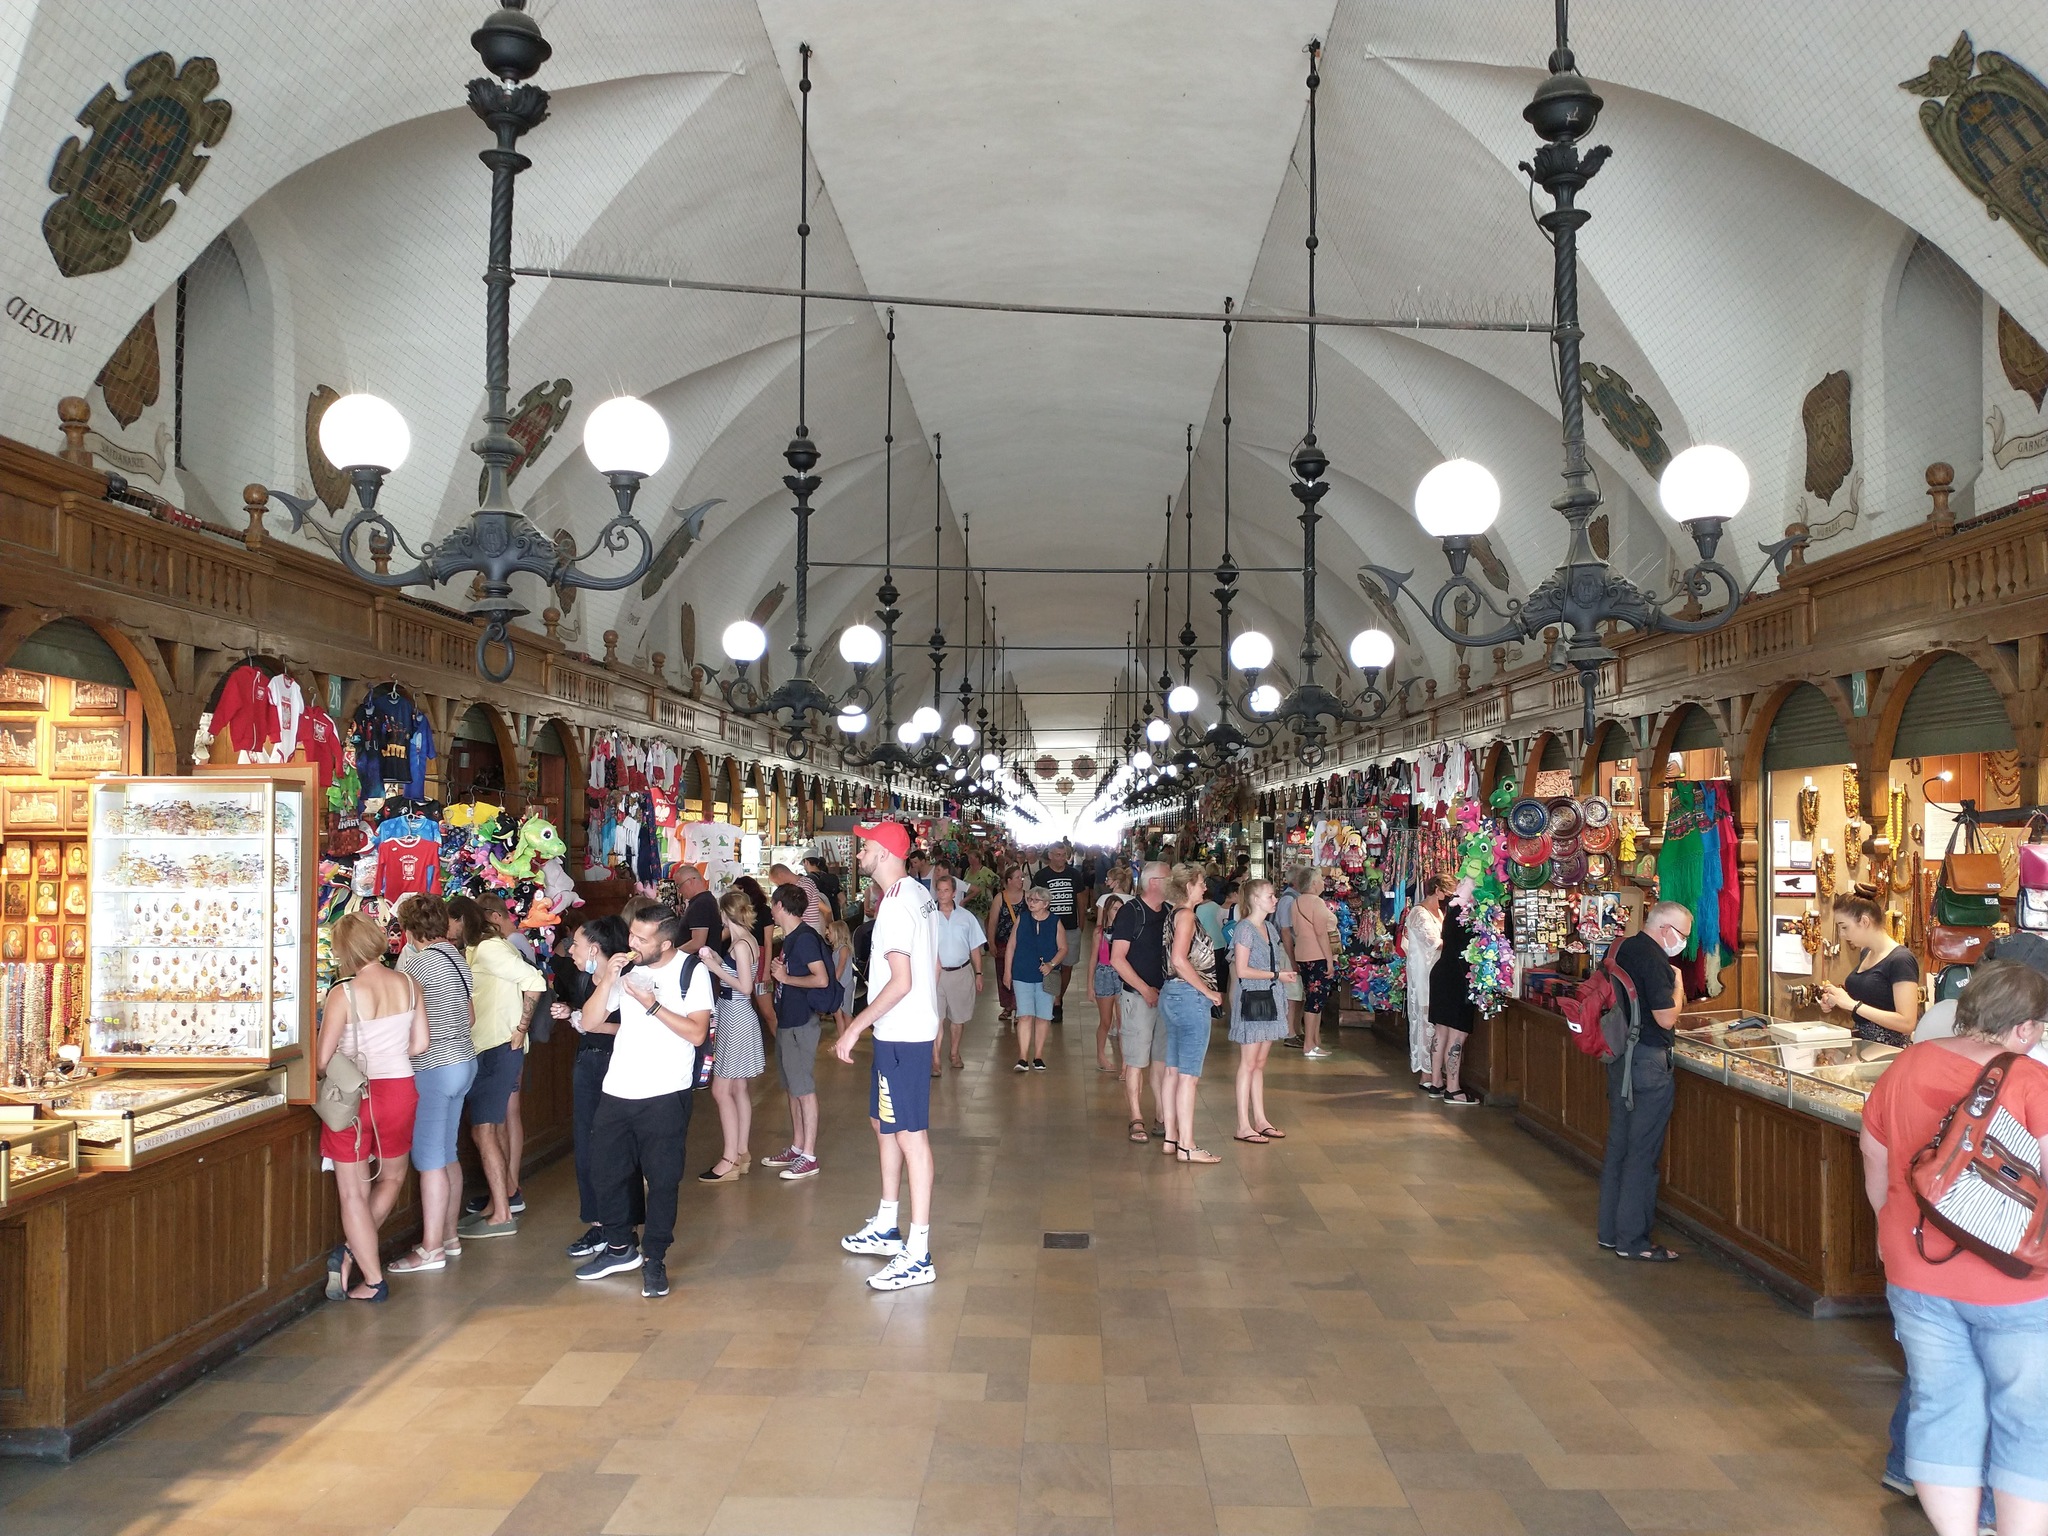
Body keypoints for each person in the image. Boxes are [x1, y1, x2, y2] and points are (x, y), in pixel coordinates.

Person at [1863, 960, 2048, 1536]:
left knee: (1942, 1404)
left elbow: (1873, 1155)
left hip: (1915, 1269)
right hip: (2016, 1281)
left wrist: (1889, 1227)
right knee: (2028, 1417)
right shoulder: (2029, 1079)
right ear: (2024, 1027)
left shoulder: (1907, 1064)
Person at [575, 907, 712, 1298]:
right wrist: (609, 979)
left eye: (641, 938)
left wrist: (652, 1005)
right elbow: (589, 1021)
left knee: (663, 1180)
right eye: (631, 934)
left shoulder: (691, 972)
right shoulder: (628, 970)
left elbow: (697, 1034)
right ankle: (620, 1247)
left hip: (665, 1093)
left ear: (665, 944)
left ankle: (655, 1258)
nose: (631, 943)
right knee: (607, 1172)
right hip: (618, 1089)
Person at [836, 820, 943, 1290]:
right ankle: (886, 1224)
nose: (859, 854)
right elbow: (932, 965)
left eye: (864, 847)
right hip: (900, 1031)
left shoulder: (899, 905)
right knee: (884, 1123)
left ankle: (918, 1253)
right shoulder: (917, 894)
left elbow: (902, 981)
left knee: (911, 1136)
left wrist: (854, 1027)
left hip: (902, 1035)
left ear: (882, 852)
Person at [319, 912, 429, 1300]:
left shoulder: (343, 993)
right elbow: (420, 1045)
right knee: (392, 1178)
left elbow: (322, 1060)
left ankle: (374, 1279)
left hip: (354, 1097)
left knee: (353, 1194)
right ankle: (352, 1254)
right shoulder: (409, 984)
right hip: (400, 1089)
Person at [1596, 900, 1691, 1261]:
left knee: (1619, 1147)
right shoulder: (1654, 960)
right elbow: (1666, 1017)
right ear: (1665, 929)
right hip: (1649, 1063)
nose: (1683, 942)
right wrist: (1677, 985)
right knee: (1642, 1153)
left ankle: (1610, 1232)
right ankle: (1633, 1240)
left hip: (1621, 1057)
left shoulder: (1623, 947)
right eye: (1682, 935)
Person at [447, 893, 544, 1240]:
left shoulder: (489, 949)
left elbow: (535, 981)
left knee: (484, 1129)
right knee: (487, 1128)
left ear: (460, 920)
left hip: (499, 1048)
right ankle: (499, 1201)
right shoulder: (478, 949)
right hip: (488, 1047)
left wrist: (521, 1028)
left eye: (448, 922)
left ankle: (502, 1212)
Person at [392, 895, 477, 1271]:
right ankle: (449, 1236)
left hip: (433, 1066)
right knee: (446, 1153)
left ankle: (431, 1249)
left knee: (428, 1160)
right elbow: (470, 1017)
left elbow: (403, 1020)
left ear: (409, 930)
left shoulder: (418, 964)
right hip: (464, 1059)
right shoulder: (456, 957)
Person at [550, 915, 641, 1259]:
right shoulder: (588, 979)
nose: (571, 949)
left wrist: (588, 1024)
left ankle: (620, 1226)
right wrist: (573, 1014)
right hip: (588, 1062)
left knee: (615, 1148)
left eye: (576, 943)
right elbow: (587, 1018)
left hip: (612, 1065)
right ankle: (602, 1222)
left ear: (595, 948)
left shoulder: (628, 981)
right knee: (587, 1146)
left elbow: (633, 1027)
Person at [471, 894, 546, 1219]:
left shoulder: (503, 944)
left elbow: (534, 982)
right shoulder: (506, 943)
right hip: (505, 1040)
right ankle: (507, 1189)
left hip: (504, 1041)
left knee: (504, 1116)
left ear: (492, 916)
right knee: (503, 1117)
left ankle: (510, 1189)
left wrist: (520, 1028)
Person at [762, 881, 833, 1180]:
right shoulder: (793, 938)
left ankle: (809, 1155)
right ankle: (797, 1146)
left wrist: (786, 978)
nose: (771, 910)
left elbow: (821, 979)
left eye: (772, 904)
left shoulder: (803, 939)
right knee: (793, 1087)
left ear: (780, 906)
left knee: (803, 1088)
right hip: (788, 1020)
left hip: (801, 1022)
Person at [696, 887, 767, 1182]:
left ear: (724, 914)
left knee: (721, 1090)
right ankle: (741, 1151)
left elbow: (745, 987)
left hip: (736, 1013)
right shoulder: (745, 940)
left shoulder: (740, 944)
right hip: (735, 1013)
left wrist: (715, 967)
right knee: (738, 1088)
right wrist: (716, 958)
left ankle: (729, 1160)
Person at [1160, 864, 1224, 1163]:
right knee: (1189, 1075)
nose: (1205, 888)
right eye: (1200, 883)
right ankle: (1187, 1144)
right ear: (1188, 887)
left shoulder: (1173, 914)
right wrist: (1207, 991)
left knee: (1173, 1070)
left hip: (1172, 995)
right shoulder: (1186, 916)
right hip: (1189, 997)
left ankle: (1171, 1138)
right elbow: (1179, 959)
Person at [1110, 862, 1173, 1144]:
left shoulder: (1169, 912)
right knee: (1136, 1059)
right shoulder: (1131, 912)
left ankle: (1161, 1114)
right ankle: (1136, 1116)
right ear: (1154, 882)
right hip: (1137, 998)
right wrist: (1145, 989)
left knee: (1161, 1059)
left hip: (1166, 998)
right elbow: (1117, 959)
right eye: (1169, 878)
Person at [1229, 879, 1293, 1144]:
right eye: (1270, 896)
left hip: (1270, 995)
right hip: (1253, 998)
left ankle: (1260, 1119)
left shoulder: (1269, 927)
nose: (1275, 900)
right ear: (1255, 899)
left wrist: (1277, 975)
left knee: (1259, 1063)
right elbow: (1242, 970)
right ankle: (1243, 1124)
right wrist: (1276, 975)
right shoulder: (1245, 929)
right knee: (1248, 1063)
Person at [1820, 893, 1922, 1051]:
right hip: (1863, 1048)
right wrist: (1838, 1000)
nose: (1842, 934)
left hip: (1889, 1053)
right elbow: (1870, 1004)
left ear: (1864, 921)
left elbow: (1907, 1023)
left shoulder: (1901, 960)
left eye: (1845, 927)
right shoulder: (1866, 953)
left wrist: (1852, 1004)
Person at [1427, 892, 1483, 1106]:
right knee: (1457, 1033)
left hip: (1442, 970)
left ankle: (1436, 1082)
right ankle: (1453, 1088)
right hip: (1460, 975)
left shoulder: (1452, 908)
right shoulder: (1472, 912)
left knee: (1441, 1029)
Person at [930, 872, 985, 1073]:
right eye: (939, 890)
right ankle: (935, 1059)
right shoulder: (929, 916)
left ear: (954, 893)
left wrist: (979, 973)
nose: (942, 894)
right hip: (936, 975)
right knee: (937, 1018)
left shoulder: (966, 917)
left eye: (946, 890)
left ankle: (954, 1053)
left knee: (958, 1018)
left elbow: (975, 948)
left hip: (961, 973)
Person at [1006, 886, 1065, 1072]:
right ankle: (1022, 1057)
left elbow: (1063, 948)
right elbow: (1011, 946)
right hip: (1022, 973)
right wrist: (1007, 971)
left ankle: (1038, 1056)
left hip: (1046, 976)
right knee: (1025, 1015)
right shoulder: (1022, 919)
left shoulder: (1055, 921)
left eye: (1036, 900)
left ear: (1046, 904)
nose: (1031, 903)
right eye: (1030, 899)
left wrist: (1051, 964)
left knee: (1043, 1016)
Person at [1405, 874, 1454, 1081]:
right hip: (1423, 973)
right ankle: (1426, 1073)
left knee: (1436, 1022)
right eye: (1447, 892)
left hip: (1438, 973)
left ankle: (1435, 1070)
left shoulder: (1439, 913)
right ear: (1437, 890)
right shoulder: (1419, 913)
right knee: (1425, 1021)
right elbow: (1433, 942)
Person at [1290, 868, 1338, 1059]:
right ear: (1313, 883)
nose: (1323, 883)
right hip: (1317, 955)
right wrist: (1329, 960)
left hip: (1302, 954)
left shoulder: (1296, 902)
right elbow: (1321, 933)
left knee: (1313, 998)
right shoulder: (1316, 902)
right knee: (1315, 1001)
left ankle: (1315, 1041)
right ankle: (1309, 1044)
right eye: (1320, 879)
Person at [1033, 843, 1082, 1021]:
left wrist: (1081, 922)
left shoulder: (1074, 874)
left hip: (1070, 927)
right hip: (1049, 928)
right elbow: (1035, 899)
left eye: (1064, 855)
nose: (1062, 858)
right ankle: (1052, 1000)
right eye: (1058, 855)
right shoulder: (1041, 876)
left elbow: (1081, 898)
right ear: (1050, 856)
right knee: (1050, 964)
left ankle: (1058, 997)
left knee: (1067, 965)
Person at [1092, 894, 1126, 1074]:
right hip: (1104, 974)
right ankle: (1101, 1056)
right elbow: (1093, 959)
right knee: (1106, 1020)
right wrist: (1090, 986)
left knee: (1122, 1022)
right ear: (1107, 911)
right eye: (1115, 909)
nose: (1118, 912)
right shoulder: (1099, 932)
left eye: (1121, 909)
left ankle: (1125, 1063)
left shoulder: (1125, 931)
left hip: (1120, 974)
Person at [990, 865, 1024, 1025]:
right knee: (1003, 972)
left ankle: (1019, 1006)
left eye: (1021, 877)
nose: (1021, 880)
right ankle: (1007, 1006)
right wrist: (991, 942)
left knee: (1020, 975)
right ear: (1009, 880)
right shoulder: (1000, 898)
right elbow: (993, 922)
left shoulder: (1028, 897)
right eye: (1017, 878)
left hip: (1022, 944)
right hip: (1003, 942)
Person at [1276, 863, 1305, 1047]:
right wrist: (1292, 958)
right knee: (1292, 993)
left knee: (1299, 993)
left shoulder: (1297, 897)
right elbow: (1285, 931)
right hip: (1288, 949)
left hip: (1295, 948)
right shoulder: (1288, 900)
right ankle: (1290, 1033)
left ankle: (1297, 1029)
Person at [674, 864, 720, 953]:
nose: (679, 891)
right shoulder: (704, 900)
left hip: (697, 959)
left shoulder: (701, 904)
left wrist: (674, 954)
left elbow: (697, 943)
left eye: (679, 886)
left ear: (690, 881)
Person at [769, 861, 827, 929]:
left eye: (776, 882)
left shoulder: (805, 884)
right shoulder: (794, 887)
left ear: (781, 875)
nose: (778, 885)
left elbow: (798, 908)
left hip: (809, 927)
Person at [826, 917, 857, 1035]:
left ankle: (848, 1037)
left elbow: (841, 965)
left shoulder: (843, 948)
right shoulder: (836, 950)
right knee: (837, 1013)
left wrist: (834, 981)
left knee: (846, 1013)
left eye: (830, 932)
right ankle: (842, 1038)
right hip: (839, 984)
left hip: (844, 984)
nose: (828, 934)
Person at [961, 846, 997, 919]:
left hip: (981, 905)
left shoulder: (985, 871)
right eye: (969, 858)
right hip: (968, 903)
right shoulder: (968, 870)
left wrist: (989, 889)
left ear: (978, 859)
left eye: (972, 858)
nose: (969, 860)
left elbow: (996, 881)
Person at [805, 853, 842, 921]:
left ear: (806, 862)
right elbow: (842, 899)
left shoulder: (807, 881)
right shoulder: (832, 877)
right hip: (836, 917)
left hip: (821, 920)